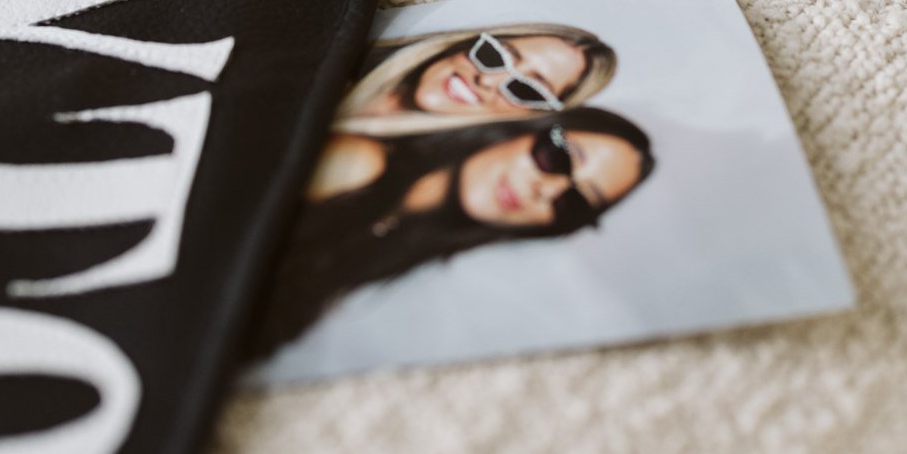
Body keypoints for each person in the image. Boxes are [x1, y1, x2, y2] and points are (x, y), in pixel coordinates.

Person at [250, 107, 655, 357]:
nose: (544, 190)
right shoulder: (361, 162)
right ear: (529, 126)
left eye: (576, 204)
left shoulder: (408, 262)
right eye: (558, 158)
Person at [335, 24, 617, 133]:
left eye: (526, 89)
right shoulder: (339, 51)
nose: (488, 80)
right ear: (467, 44)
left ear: (531, 117)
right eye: (494, 55)